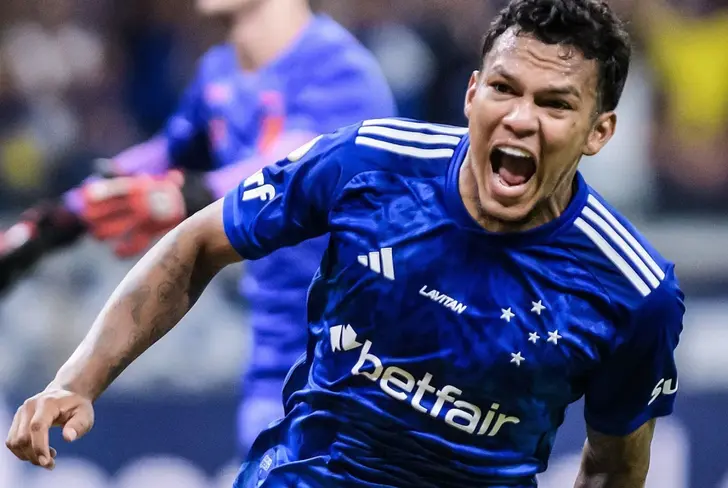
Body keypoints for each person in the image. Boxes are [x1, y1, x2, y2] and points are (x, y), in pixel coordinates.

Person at [5, 0, 685, 486]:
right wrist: (78, 379)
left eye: (555, 103)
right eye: (504, 89)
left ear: (599, 131)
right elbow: (195, 242)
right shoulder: (369, 162)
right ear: (472, 93)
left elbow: (613, 465)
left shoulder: (632, 290)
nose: (520, 119)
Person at [0, 0, 396, 454]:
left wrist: (190, 194)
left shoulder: (343, 72)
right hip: (274, 352)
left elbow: (294, 165)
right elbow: (161, 156)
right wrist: (49, 226)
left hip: (359, 359)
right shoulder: (219, 72)